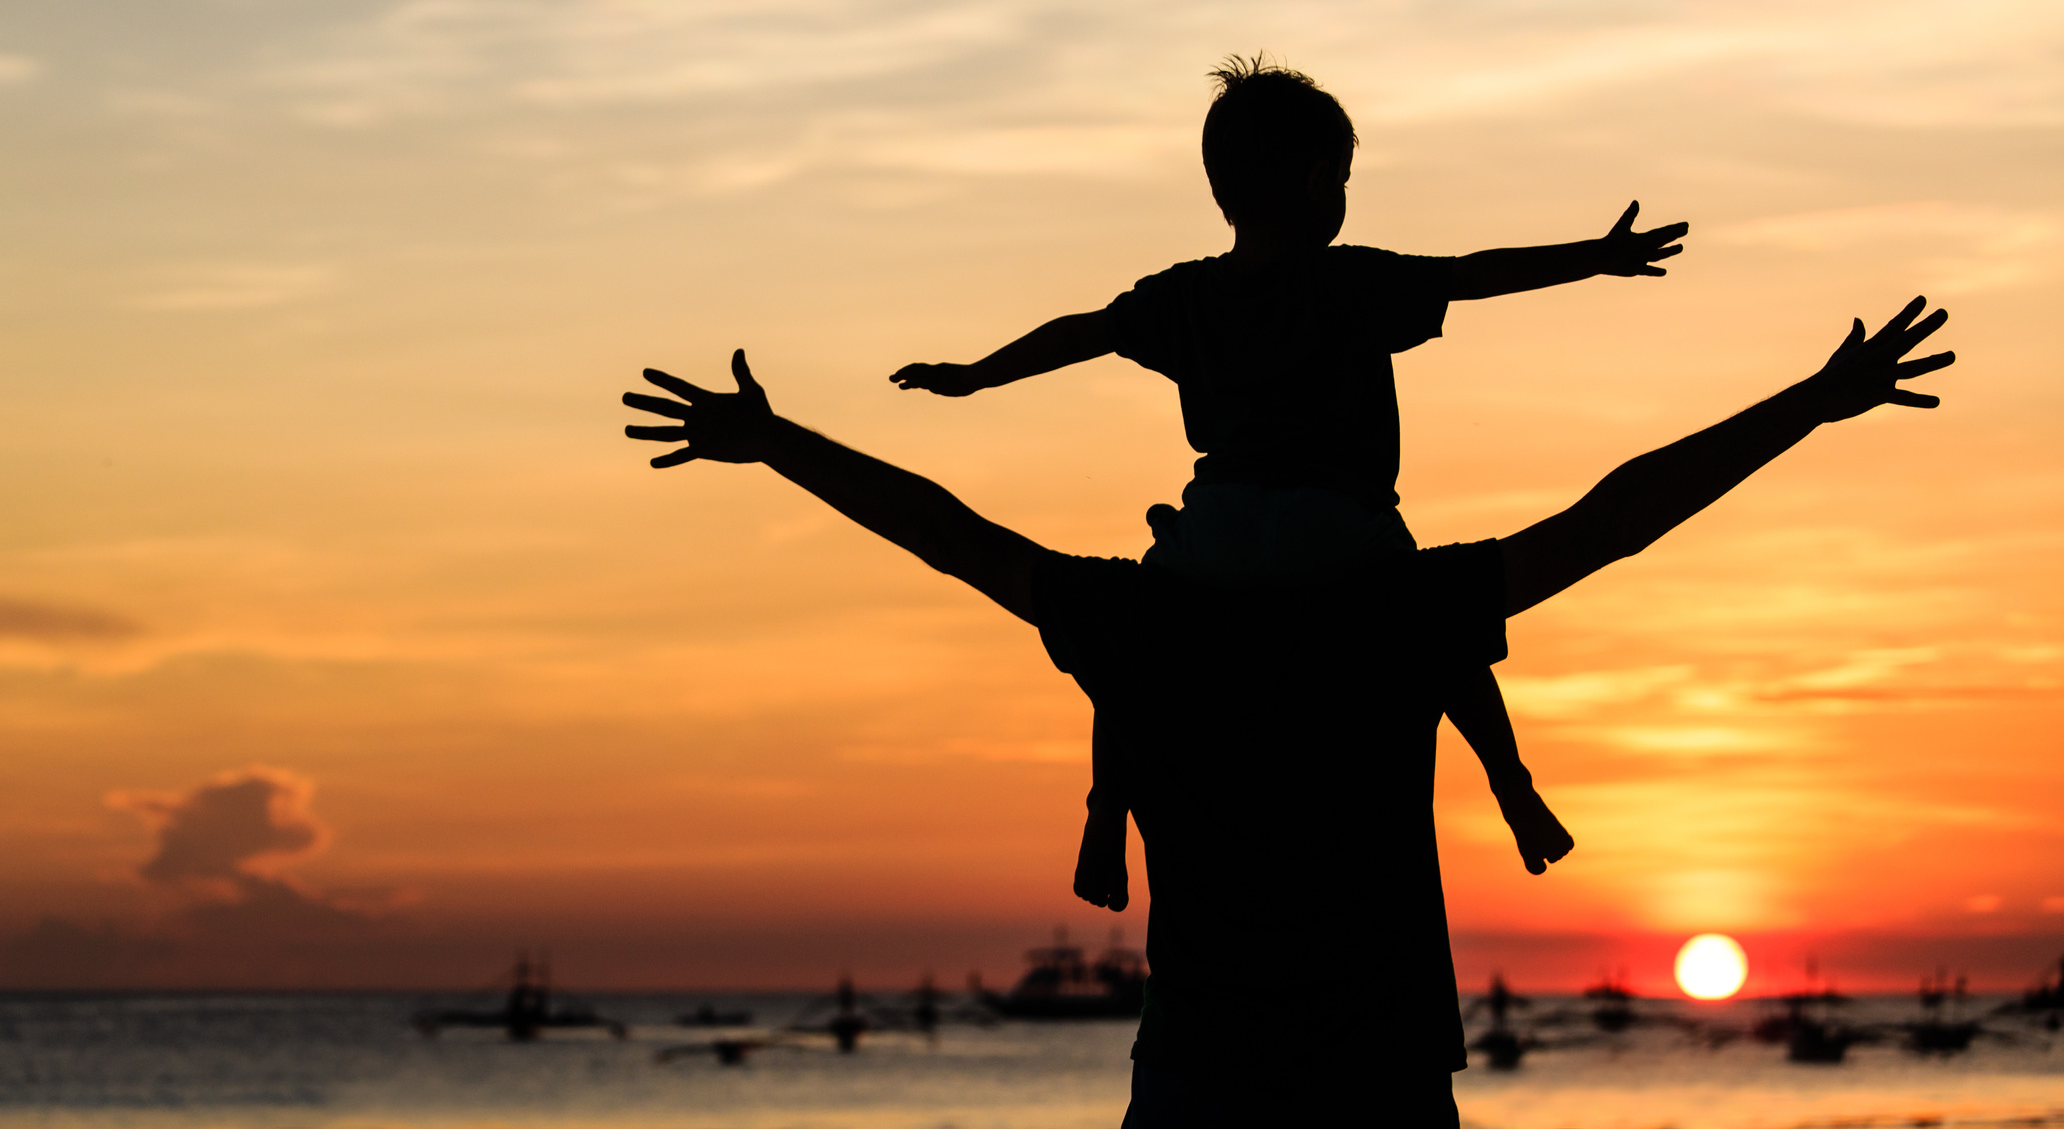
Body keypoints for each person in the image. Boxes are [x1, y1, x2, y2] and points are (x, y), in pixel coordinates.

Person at [624, 297, 1951, 1124]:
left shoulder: (1138, 620)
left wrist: (779, 443)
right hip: (1380, 1077)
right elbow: (1614, 517)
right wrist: (1811, 403)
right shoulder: (1398, 613)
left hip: (1197, 1074)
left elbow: (947, 531)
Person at [889, 55, 1689, 905]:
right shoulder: (1349, 281)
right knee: (1443, 623)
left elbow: (1078, 332)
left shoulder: (1184, 296)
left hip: (1216, 532)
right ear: (1317, 183)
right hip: (1339, 528)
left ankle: (1105, 816)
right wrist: (1595, 257)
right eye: (1341, 180)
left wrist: (974, 376)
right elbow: (1475, 273)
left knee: (1125, 646)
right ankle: (1513, 788)